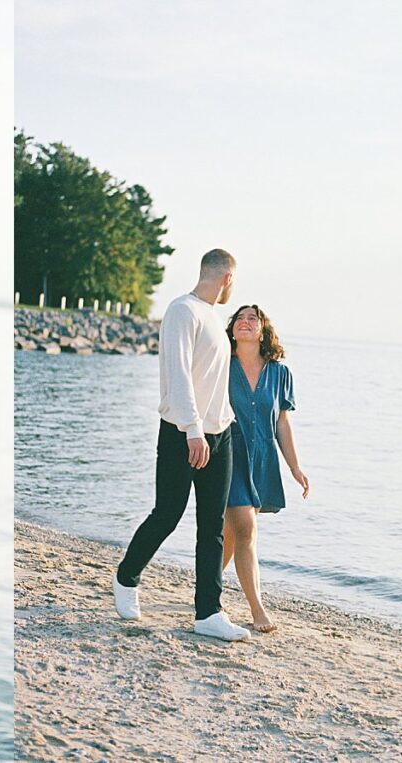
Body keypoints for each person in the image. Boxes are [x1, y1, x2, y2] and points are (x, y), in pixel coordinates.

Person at [113, 249, 251, 642]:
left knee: (213, 527)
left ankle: (208, 612)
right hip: (182, 431)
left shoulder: (214, 317)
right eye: (233, 282)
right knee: (168, 513)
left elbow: (212, 379)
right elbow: (178, 374)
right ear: (226, 277)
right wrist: (193, 430)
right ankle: (126, 576)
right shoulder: (182, 311)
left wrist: (221, 424)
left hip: (220, 431)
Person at [223, 305, 309, 633]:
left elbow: (282, 424)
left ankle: (207, 588)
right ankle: (258, 609)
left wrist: (295, 467)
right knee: (246, 529)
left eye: (252, 318)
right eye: (239, 318)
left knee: (233, 532)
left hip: (263, 459)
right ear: (232, 330)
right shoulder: (221, 365)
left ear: (262, 330)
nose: (245, 322)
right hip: (228, 453)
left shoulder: (280, 374)